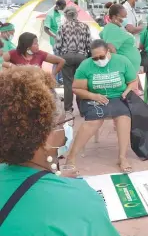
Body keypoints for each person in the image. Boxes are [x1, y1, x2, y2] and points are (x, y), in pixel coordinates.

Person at [0, 66, 120, 236]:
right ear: (45, 136)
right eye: (63, 123)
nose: (67, 129)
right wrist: (62, 189)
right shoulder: (81, 202)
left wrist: (45, 181)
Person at [66, 39, 137, 173]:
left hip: (117, 97)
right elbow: (76, 88)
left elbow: (133, 81)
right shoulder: (85, 66)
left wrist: (126, 92)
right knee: (94, 121)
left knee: (124, 119)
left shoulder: (122, 61)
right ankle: (71, 157)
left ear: (108, 52)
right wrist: (94, 96)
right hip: (92, 98)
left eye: (102, 57)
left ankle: (122, 157)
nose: (99, 60)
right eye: (95, 58)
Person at [54, 6, 91, 114]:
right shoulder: (85, 26)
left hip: (66, 57)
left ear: (65, 15)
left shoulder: (62, 27)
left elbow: (57, 45)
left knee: (68, 84)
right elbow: (89, 44)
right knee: (81, 83)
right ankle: (83, 110)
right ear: (76, 14)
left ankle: (68, 109)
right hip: (82, 57)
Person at [100, 4, 141, 73]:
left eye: (126, 16)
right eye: (123, 17)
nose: (125, 19)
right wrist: (117, 65)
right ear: (114, 17)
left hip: (129, 69)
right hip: (124, 69)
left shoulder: (116, 28)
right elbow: (110, 47)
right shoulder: (112, 29)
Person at [44, 0, 66, 84]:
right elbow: (46, 29)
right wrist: (54, 36)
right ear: (57, 6)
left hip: (63, 41)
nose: (62, 9)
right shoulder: (50, 15)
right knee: (57, 61)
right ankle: (54, 80)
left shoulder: (60, 13)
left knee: (62, 61)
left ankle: (60, 80)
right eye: (61, 7)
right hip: (56, 42)